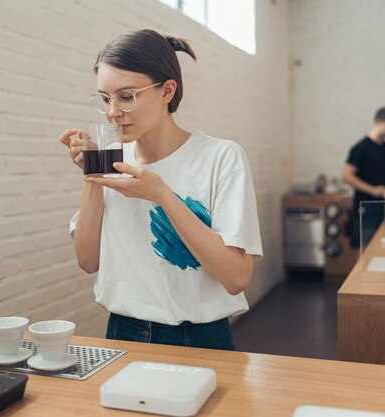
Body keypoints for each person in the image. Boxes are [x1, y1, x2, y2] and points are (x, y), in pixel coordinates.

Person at [59, 29, 263, 350]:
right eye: (105, 98)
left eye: (126, 96)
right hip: (122, 331)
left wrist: (162, 195)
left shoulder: (220, 157)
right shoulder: (112, 160)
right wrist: (92, 176)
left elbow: (236, 278)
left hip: (199, 337)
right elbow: (87, 261)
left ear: (167, 91)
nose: (113, 112)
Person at [343, 107, 385, 249]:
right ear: (377, 122)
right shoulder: (361, 148)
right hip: (366, 207)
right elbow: (346, 175)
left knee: (383, 248)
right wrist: (373, 190)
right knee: (364, 251)